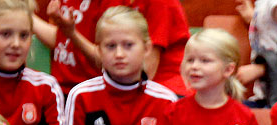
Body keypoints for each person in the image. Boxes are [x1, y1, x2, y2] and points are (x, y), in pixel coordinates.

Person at [35, 0, 192, 96]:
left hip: (167, 89)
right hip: (135, 88)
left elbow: (144, 73)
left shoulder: (159, 3)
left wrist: (72, 34)